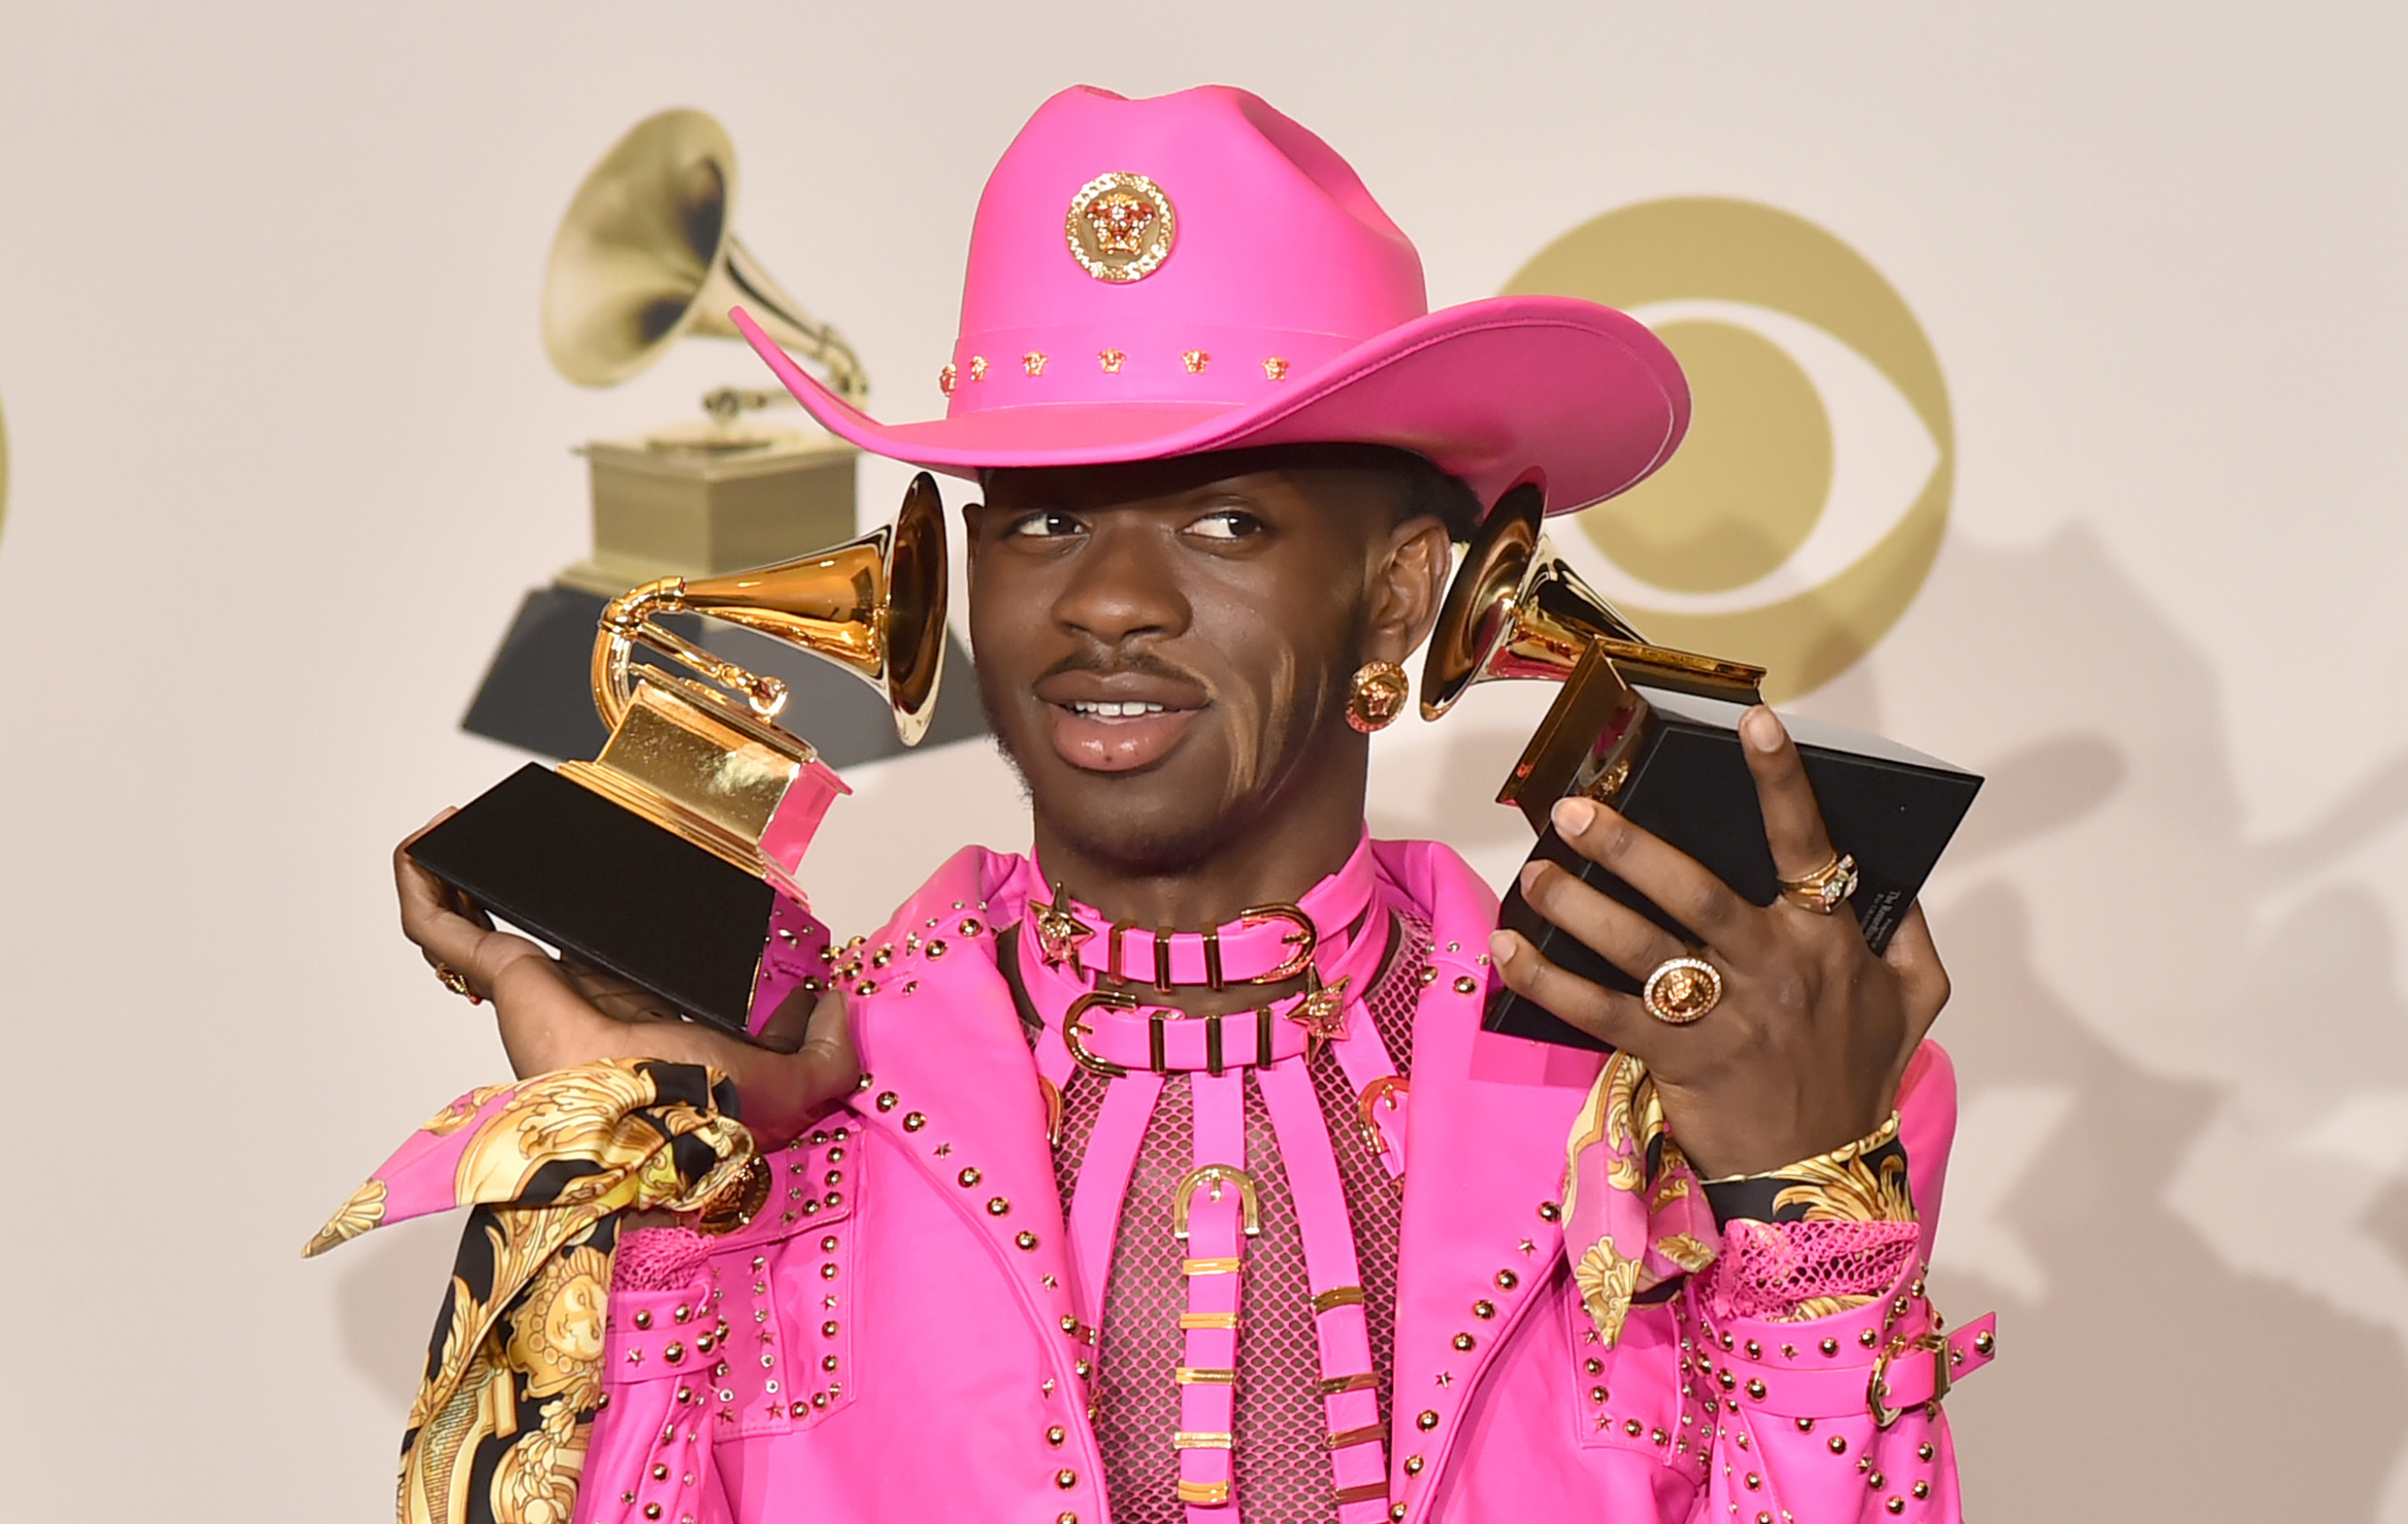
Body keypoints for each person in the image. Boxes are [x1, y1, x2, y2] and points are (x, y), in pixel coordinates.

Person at [312, 84, 1992, 1524]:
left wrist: (1802, 1194)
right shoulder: (780, 1078)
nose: (1106, 599)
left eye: (1226, 523)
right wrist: (629, 1174)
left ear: (1401, 596)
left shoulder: (1683, 1071)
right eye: (1041, 522)